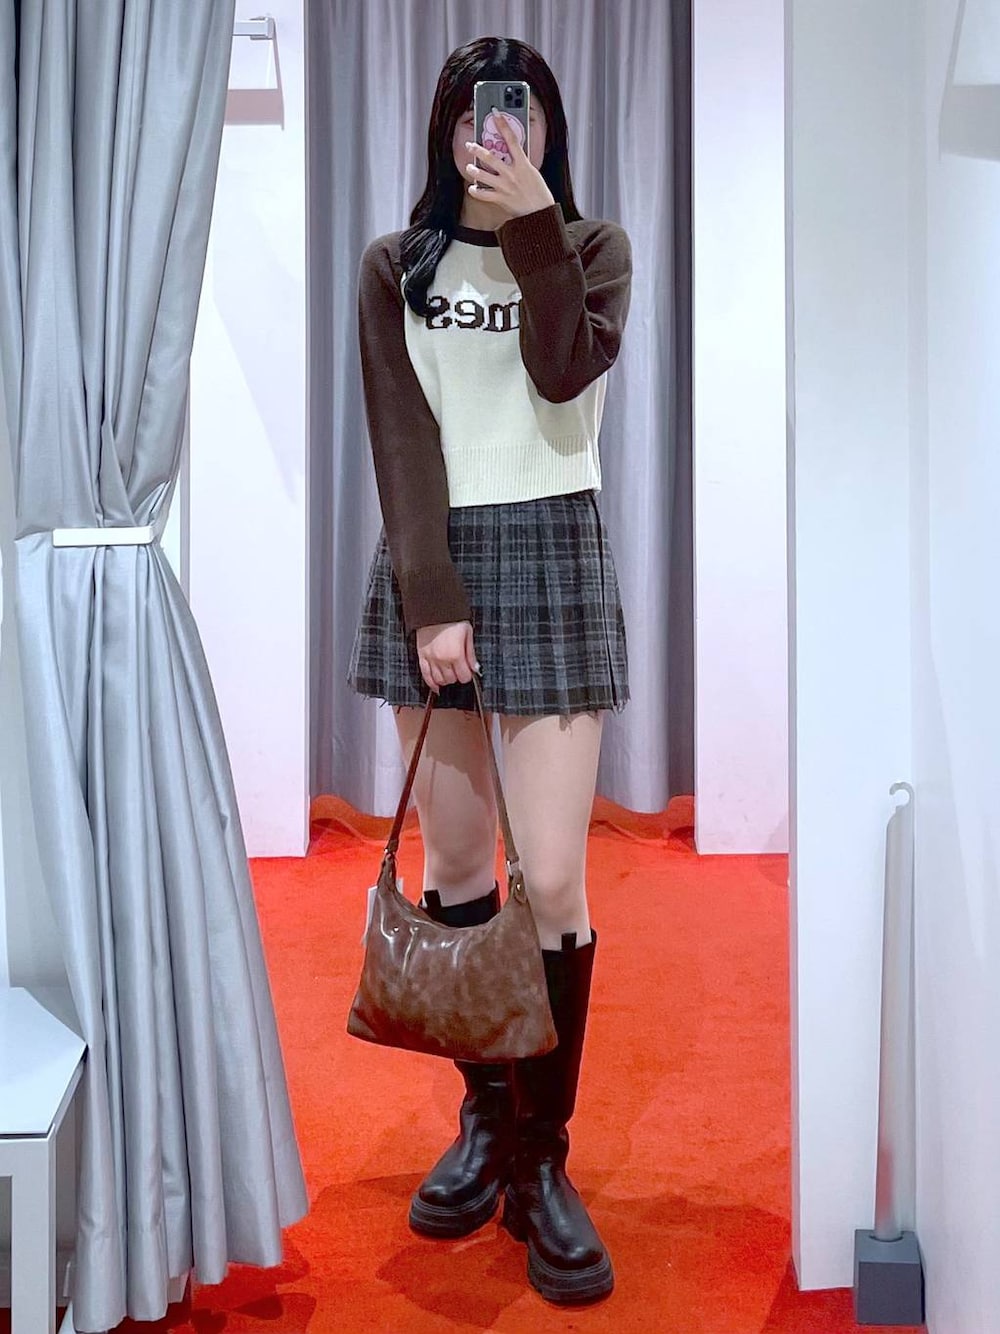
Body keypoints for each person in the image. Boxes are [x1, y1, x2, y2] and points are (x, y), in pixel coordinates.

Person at [347, 35, 632, 1306]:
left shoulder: (591, 248)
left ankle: (539, 1156)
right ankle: (484, 1117)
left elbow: (563, 374)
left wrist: (529, 229)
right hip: (442, 557)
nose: (495, 131)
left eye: (517, 112)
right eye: (473, 114)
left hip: (554, 542)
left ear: (548, 126)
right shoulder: (395, 267)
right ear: (444, 130)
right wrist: (433, 602)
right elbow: (401, 438)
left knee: (554, 875)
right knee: (459, 866)